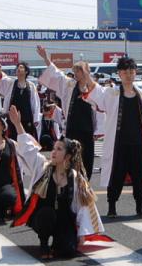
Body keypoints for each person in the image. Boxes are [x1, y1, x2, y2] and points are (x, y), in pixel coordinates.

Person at [75, 54, 142, 219]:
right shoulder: (112, 93)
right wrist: (87, 76)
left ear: (135, 73)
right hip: (119, 143)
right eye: (125, 71)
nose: (129, 74)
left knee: (139, 175)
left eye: (131, 71)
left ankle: (140, 206)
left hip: (138, 143)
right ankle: (112, 206)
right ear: (119, 74)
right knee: (116, 174)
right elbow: (96, 93)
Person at [13, 135, 104, 259]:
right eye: (54, 148)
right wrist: (18, 124)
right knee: (47, 214)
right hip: (44, 217)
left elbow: (84, 206)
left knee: (67, 251)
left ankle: (59, 242)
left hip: (64, 221)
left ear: (67, 156)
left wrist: (82, 233)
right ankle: (44, 243)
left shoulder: (76, 178)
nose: (54, 152)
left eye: (59, 149)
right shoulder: (43, 167)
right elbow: (29, 151)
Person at [35, 50, 98, 178]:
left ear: (86, 72)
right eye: (75, 71)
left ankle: (84, 186)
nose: (76, 74)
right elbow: (56, 73)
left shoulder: (94, 88)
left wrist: (97, 131)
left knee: (87, 160)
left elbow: (100, 111)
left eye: (79, 71)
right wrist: (46, 58)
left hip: (88, 130)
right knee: (70, 159)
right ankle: (70, 185)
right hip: (72, 128)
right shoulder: (69, 85)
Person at [0, 62, 41, 139]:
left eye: (21, 67)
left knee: (27, 139)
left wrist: (36, 118)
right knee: (13, 140)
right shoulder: (11, 83)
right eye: (17, 68)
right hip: (12, 119)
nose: (18, 69)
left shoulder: (31, 86)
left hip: (27, 118)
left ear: (26, 71)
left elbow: (35, 103)